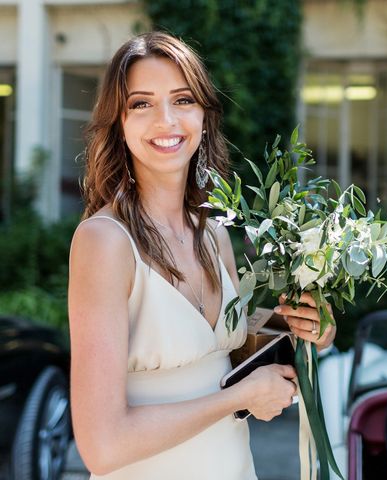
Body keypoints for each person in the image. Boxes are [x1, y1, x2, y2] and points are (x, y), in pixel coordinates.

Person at [68, 31, 336, 480]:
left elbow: (221, 354)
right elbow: (102, 445)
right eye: (141, 104)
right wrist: (238, 398)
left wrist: (302, 329)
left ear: (205, 116)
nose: (166, 120)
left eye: (183, 99)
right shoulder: (105, 241)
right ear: (118, 122)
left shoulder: (212, 232)